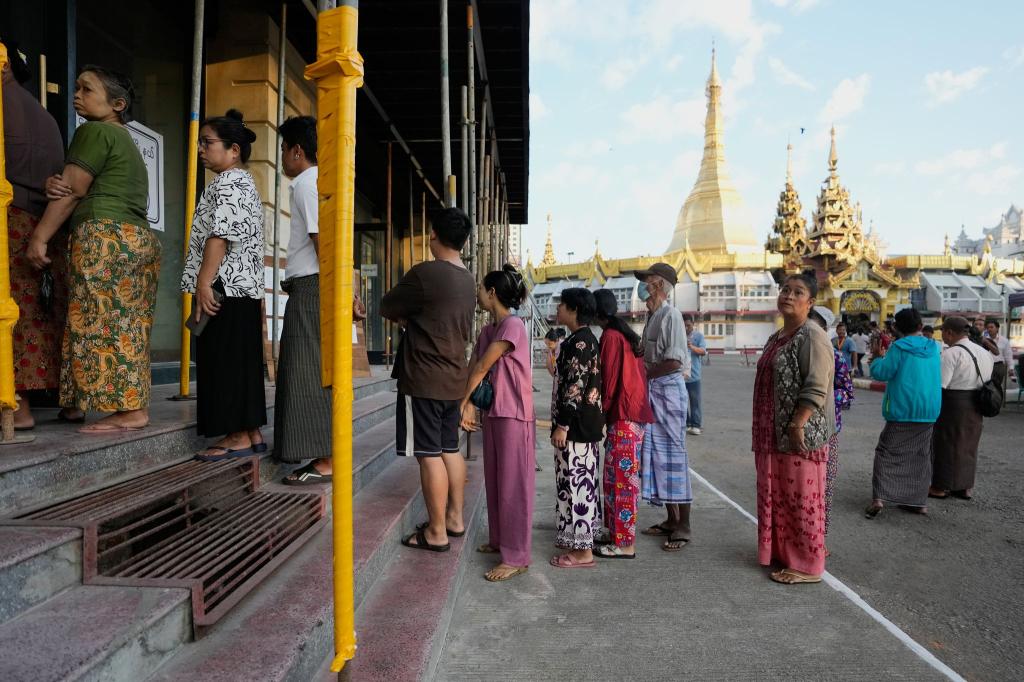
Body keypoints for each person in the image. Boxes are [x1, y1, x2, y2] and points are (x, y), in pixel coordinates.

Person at [30, 66, 160, 433]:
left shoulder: (94, 131)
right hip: (137, 240)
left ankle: (131, 411)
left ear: (117, 104)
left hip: (105, 236)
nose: (77, 95)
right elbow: (70, 184)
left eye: (87, 90)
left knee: (103, 323)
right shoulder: (123, 140)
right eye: (76, 88)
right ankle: (76, 403)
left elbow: (72, 190)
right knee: (111, 321)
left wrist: (39, 237)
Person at [383, 207, 476, 552]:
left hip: (423, 378)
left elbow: (388, 306)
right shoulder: (468, 279)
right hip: (454, 377)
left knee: (428, 454)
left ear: (434, 234)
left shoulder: (425, 274)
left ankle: (436, 531)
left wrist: (410, 318)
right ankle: (454, 518)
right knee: (449, 449)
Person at [180, 110, 266, 459]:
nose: (201, 149)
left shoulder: (229, 182)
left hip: (223, 287)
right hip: (242, 290)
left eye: (208, 143)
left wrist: (203, 283)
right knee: (242, 362)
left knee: (223, 361)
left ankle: (236, 436)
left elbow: (221, 235)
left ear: (233, 149)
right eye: (201, 142)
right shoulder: (246, 182)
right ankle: (251, 432)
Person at [2, 40, 72, 430]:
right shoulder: (45, 116)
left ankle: (17, 408)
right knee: (38, 315)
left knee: (10, 315)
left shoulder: (2, 105)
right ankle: (60, 402)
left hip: (9, 221)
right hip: (43, 223)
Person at [260, 116, 331, 483]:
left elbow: (321, 241)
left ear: (297, 151)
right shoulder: (317, 182)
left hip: (312, 287)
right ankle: (320, 454)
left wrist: (337, 291)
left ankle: (322, 459)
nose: (284, 157)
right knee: (305, 369)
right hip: (313, 286)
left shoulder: (307, 183)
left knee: (306, 371)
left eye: (284, 149)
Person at [752, 274, 835, 584]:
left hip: (798, 434)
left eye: (798, 292)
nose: (788, 295)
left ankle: (808, 565)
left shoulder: (812, 336)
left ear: (810, 302)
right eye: (785, 289)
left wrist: (797, 423)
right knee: (779, 496)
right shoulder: (777, 338)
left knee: (802, 498)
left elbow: (817, 385)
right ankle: (783, 552)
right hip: (771, 433)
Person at [459, 265, 535, 581]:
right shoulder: (489, 330)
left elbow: (481, 367)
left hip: (514, 413)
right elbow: (473, 367)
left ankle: (516, 555)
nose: (477, 294)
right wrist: (472, 406)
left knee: (514, 485)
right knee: (495, 479)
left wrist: (462, 405)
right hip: (494, 410)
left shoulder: (513, 326)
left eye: (481, 289)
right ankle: (500, 540)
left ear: (492, 294)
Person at [634, 263, 693, 552]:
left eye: (646, 282)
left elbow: (674, 361)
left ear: (658, 285)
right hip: (654, 393)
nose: (642, 287)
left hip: (668, 392)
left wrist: (642, 374)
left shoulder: (671, 316)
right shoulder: (653, 316)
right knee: (658, 457)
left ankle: (684, 525)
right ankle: (671, 519)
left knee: (674, 458)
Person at [864, 308, 941, 519]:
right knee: (921, 455)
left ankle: (879, 498)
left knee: (886, 453)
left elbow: (882, 372)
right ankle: (918, 502)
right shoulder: (934, 346)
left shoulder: (898, 347)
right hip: (928, 410)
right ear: (920, 326)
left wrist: (878, 358)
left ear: (896, 328)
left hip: (902, 409)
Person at [593, 289, 653, 559]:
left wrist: (598, 413)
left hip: (623, 414)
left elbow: (608, 381)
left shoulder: (611, 336)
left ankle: (625, 543)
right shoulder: (623, 334)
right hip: (631, 414)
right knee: (613, 477)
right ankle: (616, 531)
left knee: (623, 480)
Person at [549, 287, 603, 569]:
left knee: (578, 486)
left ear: (573, 310)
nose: (558, 309)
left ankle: (583, 553)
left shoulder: (581, 343)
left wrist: (562, 425)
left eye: (562, 305)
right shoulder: (579, 340)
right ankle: (575, 537)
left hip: (576, 428)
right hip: (580, 427)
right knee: (571, 485)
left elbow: (575, 388)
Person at [930, 316, 993, 501]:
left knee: (946, 444)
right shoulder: (983, 352)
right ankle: (964, 487)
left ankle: (940, 486)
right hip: (976, 403)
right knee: (968, 445)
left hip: (953, 403)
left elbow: (941, 385)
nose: (942, 336)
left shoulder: (951, 353)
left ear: (949, 332)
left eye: (943, 332)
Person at [808, 306, 853, 541]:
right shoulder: (797, 351)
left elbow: (847, 392)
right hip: (798, 429)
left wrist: (821, 401)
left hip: (827, 431)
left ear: (824, 329)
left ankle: (819, 537)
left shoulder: (835, 357)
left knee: (823, 486)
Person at [683, 313, 707, 435]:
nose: (686, 328)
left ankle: (696, 425)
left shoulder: (698, 336)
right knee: (682, 401)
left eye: (688, 325)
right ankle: (687, 423)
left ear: (693, 324)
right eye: (684, 326)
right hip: (681, 376)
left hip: (694, 376)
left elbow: (703, 351)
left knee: (695, 402)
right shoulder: (678, 336)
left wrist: (691, 346)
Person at [985, 319, 1016, 390]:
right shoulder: (984, 340)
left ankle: (997, 400)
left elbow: (1008, 356)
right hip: (986, 366)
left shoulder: (1004, 341)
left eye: (991, 327)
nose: (989, 329)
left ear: (997, 328)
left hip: (999, 367)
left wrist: (1011, 368)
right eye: (988, 327)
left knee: (997, 387)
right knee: (986, 387)